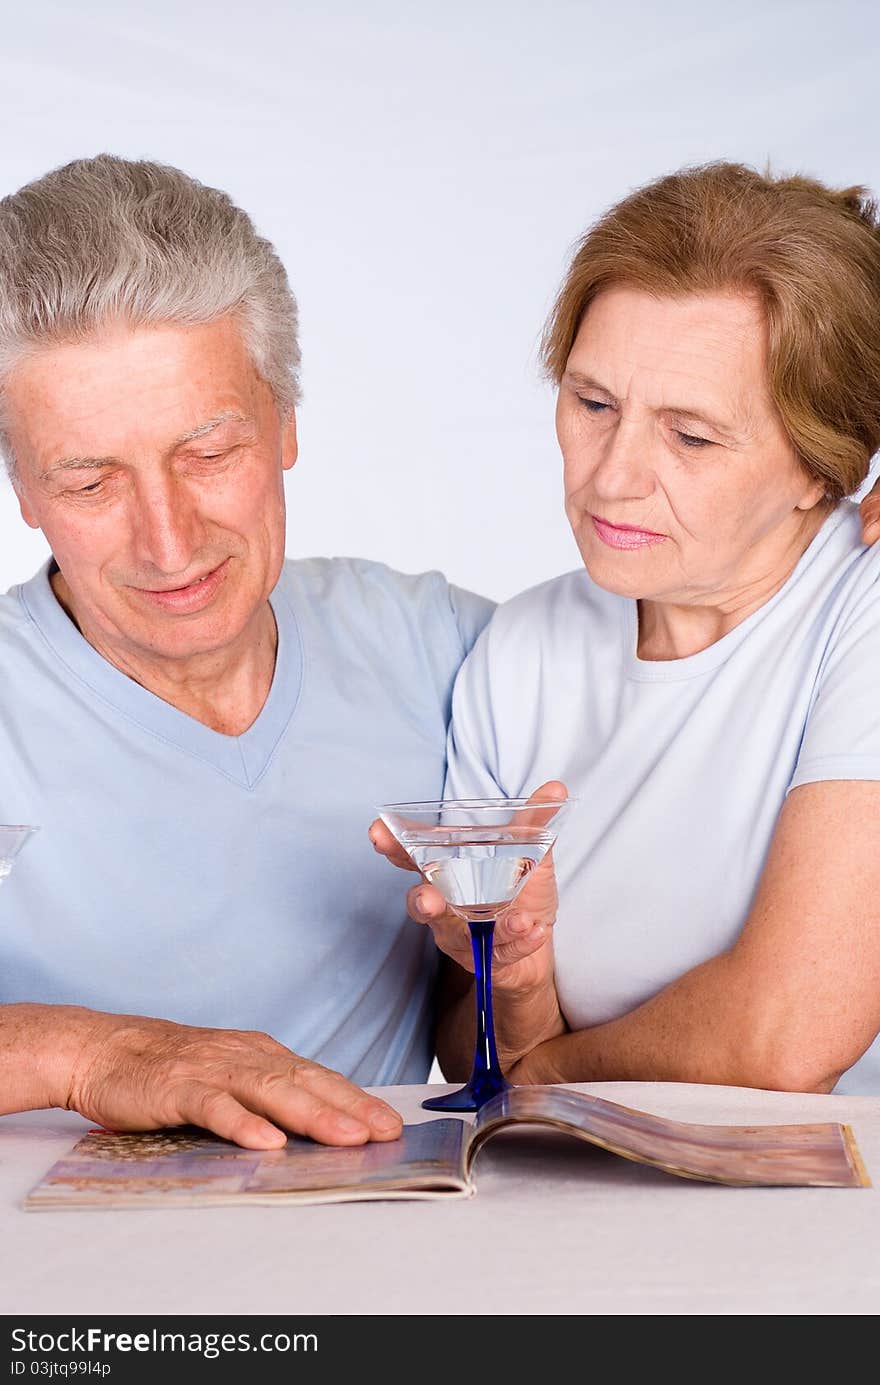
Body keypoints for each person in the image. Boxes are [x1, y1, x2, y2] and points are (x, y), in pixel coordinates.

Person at [0, 154, 494, 1148]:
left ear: (285, 425)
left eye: (209, 452)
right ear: (22, 487)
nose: (169, 541)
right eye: (91, 482)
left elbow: (721, 652)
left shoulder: (440, 649)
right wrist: (90, 1055)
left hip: (380, 1262)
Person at [372, 161, 880, 1097]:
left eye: (690, 436)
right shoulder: (523, 650)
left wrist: (544, 1071)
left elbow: (788, 1033)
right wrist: (516, 982)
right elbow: (463, 1041)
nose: (611, 478)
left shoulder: (864, 604)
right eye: (592, 404)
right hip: (595, 1212)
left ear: (822, 466)